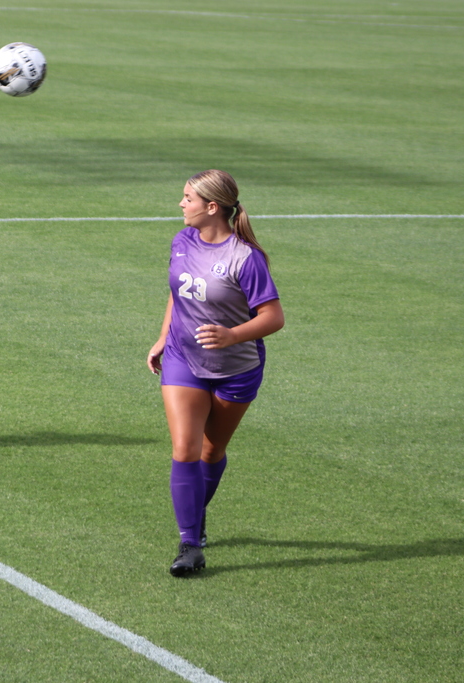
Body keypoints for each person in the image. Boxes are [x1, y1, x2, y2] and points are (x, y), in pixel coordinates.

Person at [147, 170, 284, 576]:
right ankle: (190, 545)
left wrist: (231, 335)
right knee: (185, 449)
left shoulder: (245, 258)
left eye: (187, 198)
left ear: (212, 207)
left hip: (236, 369)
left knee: (211, 451)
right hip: (182, 358)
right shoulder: (181, 240)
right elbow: (178, 293)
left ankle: (196, 514)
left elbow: (274, 317)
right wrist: (161, 337)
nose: (180, 204)